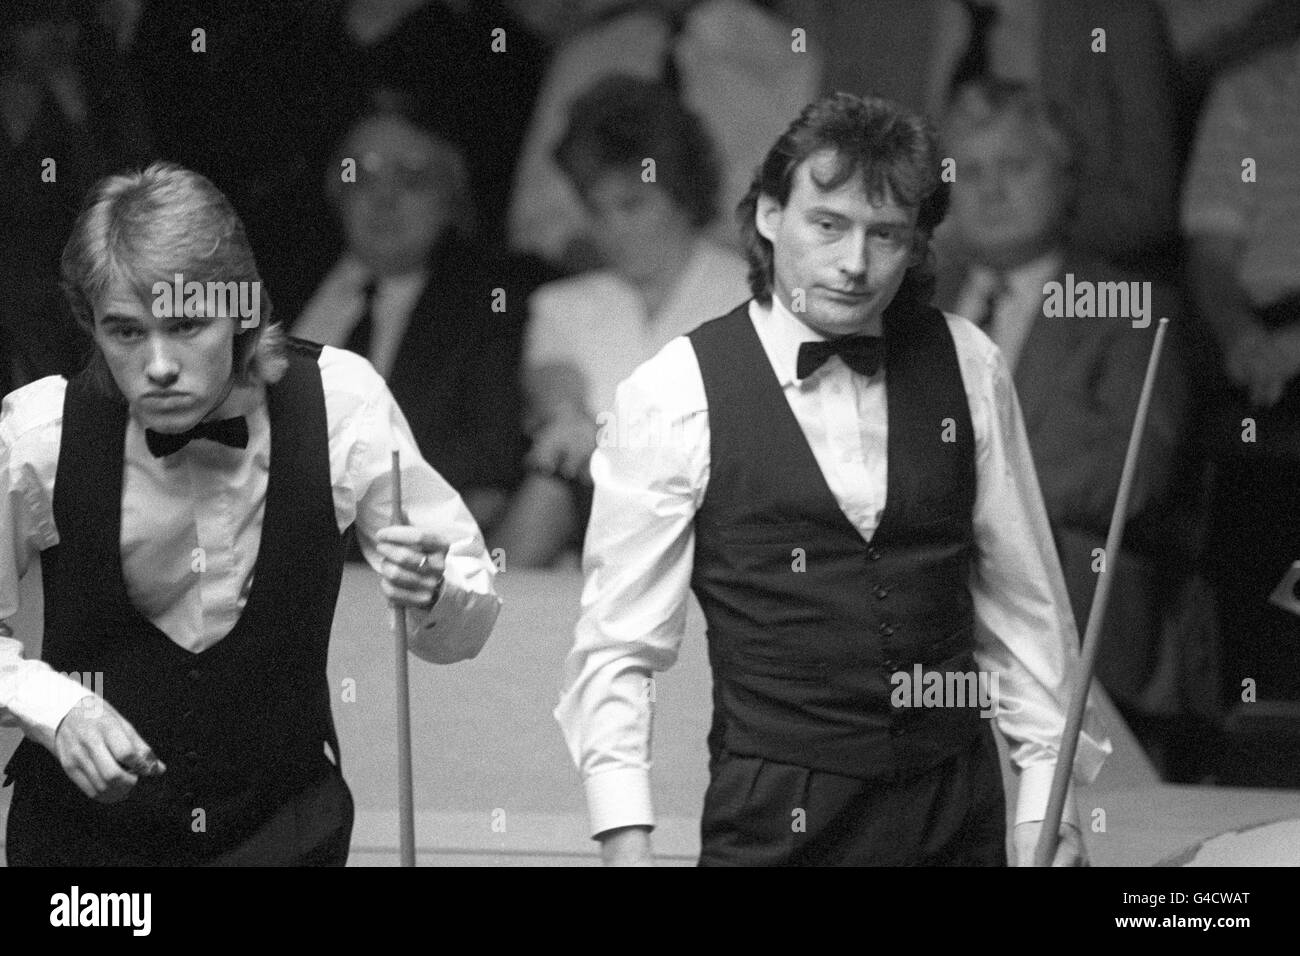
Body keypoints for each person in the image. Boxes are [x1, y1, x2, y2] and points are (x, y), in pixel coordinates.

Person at [555, 92, 1110, 866]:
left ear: (916, 245)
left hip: (954, 805)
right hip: (776, 812)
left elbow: (1026, 613)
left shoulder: (970, 363)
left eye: (885, 235)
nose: (855, 263)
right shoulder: (674, 391)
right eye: (829, 225)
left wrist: (1049, 809)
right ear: (769, 216)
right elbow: (619, 646)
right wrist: (625, 839)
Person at [0, 162, 501, 866]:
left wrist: (436, 592)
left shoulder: (341, 405)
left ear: (242, 308)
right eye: (126, 333)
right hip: (82, 851)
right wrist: (56, 708)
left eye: (186, 325)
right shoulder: (39, 433)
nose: (159, 364)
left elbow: (463, 627)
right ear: (91, 324)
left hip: (283, 830)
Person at [932, 78, 1194, 725]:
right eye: (971, 171)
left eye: (1016, 166)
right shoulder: (904, 308)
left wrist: (949, 502)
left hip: (1069, 607)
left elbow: (1129, 474)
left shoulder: (1130, 306)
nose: (991, 189)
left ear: (1066, 178)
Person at [495, 75, 750, 566]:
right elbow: (552, 382)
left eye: (632, 204)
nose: (612, 229)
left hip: (717, 524)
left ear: (681, 196)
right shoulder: (563, 303)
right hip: (596, 526)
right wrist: (568, 417)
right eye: (596, 209)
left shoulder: (749, 294)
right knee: (550, 476)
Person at [294, 94, 553, 537]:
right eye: (361, 175)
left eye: (413, 178)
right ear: (334, 193)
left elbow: (494, 453)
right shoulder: (276, 287)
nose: (384, 198)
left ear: (450, 200)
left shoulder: (489, 306)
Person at [1181, 35, 1300, 776]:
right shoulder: (1254, 86)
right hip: (1267, 356)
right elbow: (1210, 252)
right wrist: (1244, 339)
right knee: (1256, 552)